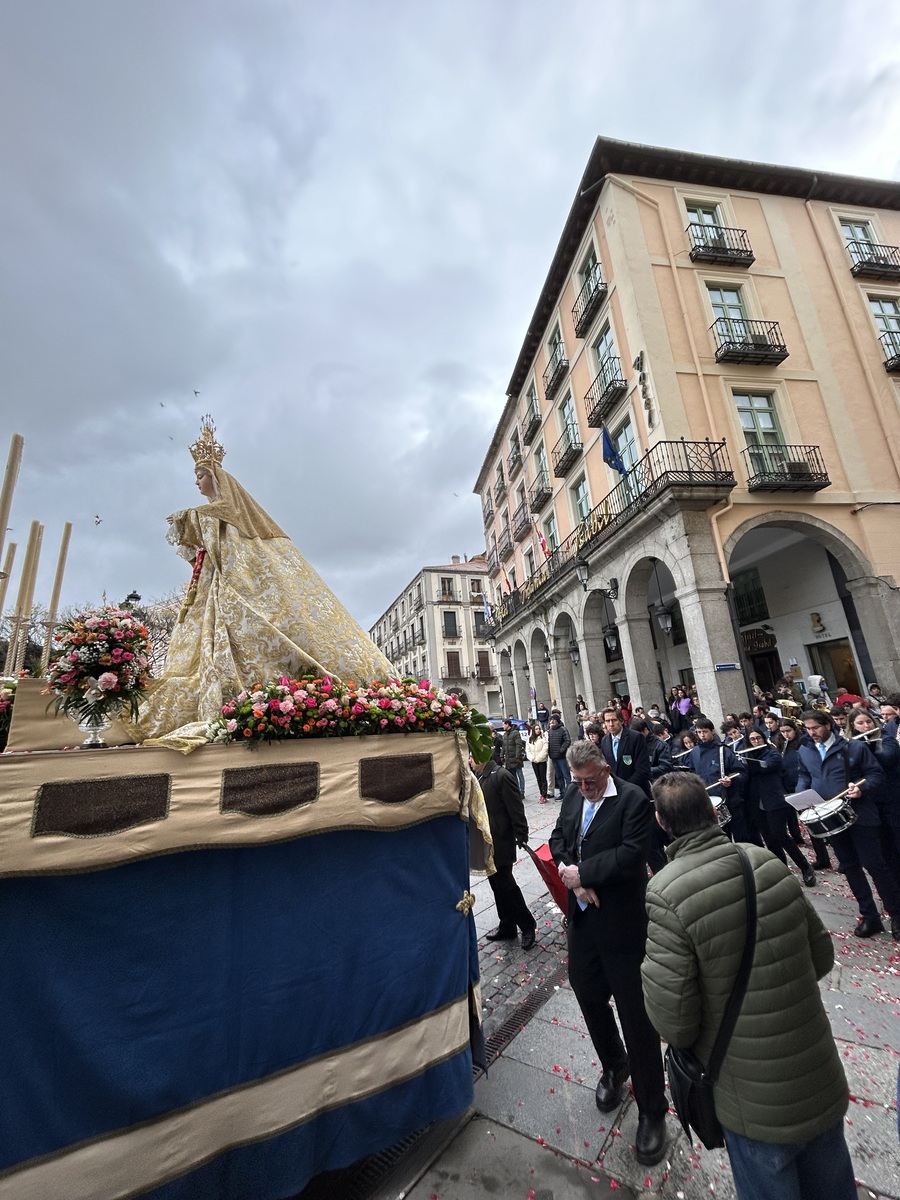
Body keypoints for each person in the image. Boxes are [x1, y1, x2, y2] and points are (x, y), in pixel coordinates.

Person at [642, 772, 857, 1200]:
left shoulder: (665, 892)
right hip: (817, 1077)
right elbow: (821, 957)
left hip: (752, 1097)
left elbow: (675, 1023)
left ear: (661, 823)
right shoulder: (764, 859)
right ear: (710, 810)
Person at [125, 417, 393, 748]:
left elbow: (225, 543)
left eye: (201, 475)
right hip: (214, 589)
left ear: (217, 478)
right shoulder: (215, 513)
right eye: (196, 476)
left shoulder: (218, 512)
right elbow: (208, 547)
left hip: (234, 590)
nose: (197, 482)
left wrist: (186, 516)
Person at [550, 740, 668, 1166]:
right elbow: (559, 838)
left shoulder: (633, 799)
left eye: (591, 780)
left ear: (605, 769)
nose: (584, 788)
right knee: (587, 993)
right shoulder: (571, 794)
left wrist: (586, 872)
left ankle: (653, 1108)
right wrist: (573, 879)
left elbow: (632, 855)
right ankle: (614, 1065)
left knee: (636, 1014)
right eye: (578, 782)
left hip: (622, 922)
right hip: (584, 920)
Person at [797, 710, 899, 940]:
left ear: (829, 725)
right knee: (849, 867)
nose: (811, 733)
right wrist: (801, 793)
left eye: (816, 728)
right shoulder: (804, 750)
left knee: (875, 865)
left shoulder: (854, 747)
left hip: (861, 814)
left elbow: (876, 774)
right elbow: (804, 775)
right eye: (808, 729)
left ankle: (896, 913)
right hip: (830, 818)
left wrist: (861, 788)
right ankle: (869, 916)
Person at [470, 754, 536, 950]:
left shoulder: (501, 775)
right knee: (496, 885)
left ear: (482, 757)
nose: (469, 761)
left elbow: (516, 808)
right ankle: (506, 924)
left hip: (502, 840)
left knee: (507, 885)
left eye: (472, 757)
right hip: (486, 842)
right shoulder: (479, 778)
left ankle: (527, 925)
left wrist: (521, 834)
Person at [743, 729, 816, 886]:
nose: (756, 742)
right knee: (769, 839)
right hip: (757, 802)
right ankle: (781, 869)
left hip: (774, 801)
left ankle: (805, 867)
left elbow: (767, 767)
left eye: (758, 738)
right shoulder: (748, 755)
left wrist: (747, 763)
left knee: (780, 835)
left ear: (763, 738)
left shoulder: (773, 754)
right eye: (753, 740)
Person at [848, 709, 900, 882]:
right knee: (884, 845)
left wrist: (867, 746)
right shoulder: (851, 745)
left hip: (893, 797)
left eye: (868, 722)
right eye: (860, 723)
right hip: (871, 802)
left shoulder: (886, 739)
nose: (866, 726)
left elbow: (887, 758)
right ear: (853, 727)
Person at [685, 719, 754, 843]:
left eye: (705, 732)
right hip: (710, 804)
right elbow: (693, 774)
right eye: (699, 732)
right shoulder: (694, 753)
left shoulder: (723, 750)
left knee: (742, 840)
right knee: (721, 842)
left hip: (731, 801)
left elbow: (741, 773)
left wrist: (731, 780)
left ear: (712, 731)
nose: (702, 735)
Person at [780, 718, 832, 871]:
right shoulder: (781, 745)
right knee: (810, 825)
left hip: (812, 787)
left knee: (825, 824)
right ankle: (821, 857)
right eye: (783, 732)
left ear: (795, 730)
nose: (785, 735)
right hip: (797, 787)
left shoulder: (803, 745)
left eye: (788, 731)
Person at [600, 707, 651, 797]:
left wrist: (624, 788)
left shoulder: (636, 738)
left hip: (636, 792)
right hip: (615, 794)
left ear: (622, 721)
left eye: (614, 720)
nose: (611, 724)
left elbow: (642, 770)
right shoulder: (604, 741)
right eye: (608, 721)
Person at [547, 714, 572, 797]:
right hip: (553, 757)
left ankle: (570, 793)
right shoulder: (550, 731)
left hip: (562, 757)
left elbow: (567, 741)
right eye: (551, 720)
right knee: (558, 776)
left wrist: (561, 750)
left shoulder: (563, 729)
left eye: (554, 720)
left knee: (566, 776)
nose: (552, 721)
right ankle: (562, 793)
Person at [525, 721, 549, 803]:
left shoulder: (543, 738)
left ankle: (544, 795)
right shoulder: (530, 739)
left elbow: (545, 749)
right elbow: (527, 750)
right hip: (534, 761)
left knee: (543, 778)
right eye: (536, 729)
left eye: (539, 728)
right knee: (538, 778)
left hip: (541, 761)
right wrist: (532, 758)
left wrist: (538, 758)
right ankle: (541, 793)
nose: (538, 730)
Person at [501, 718, 526, 795]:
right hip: (509, 758)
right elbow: (504, 746)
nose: (502, 726)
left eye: (503, 724)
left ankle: (522, 791)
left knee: (519, 774)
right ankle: (517, 790)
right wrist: (501, 755)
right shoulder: (505, 735)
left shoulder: (515, 733)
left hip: (516, 758)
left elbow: (519, 745)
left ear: (507, 724)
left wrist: (517, 757)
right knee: (513, 776)